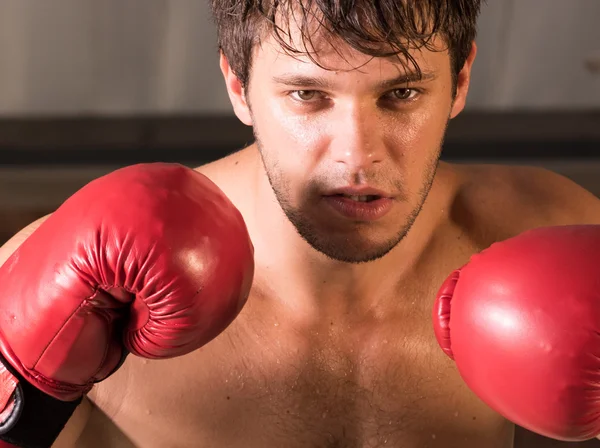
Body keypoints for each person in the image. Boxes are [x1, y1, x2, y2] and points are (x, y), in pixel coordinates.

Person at [0, 1, 599, 447]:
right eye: (308, 94)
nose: (357, 155)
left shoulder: (552, 229)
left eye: (402, 93)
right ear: (238, 85)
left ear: (460, 81)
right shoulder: (79, 281)